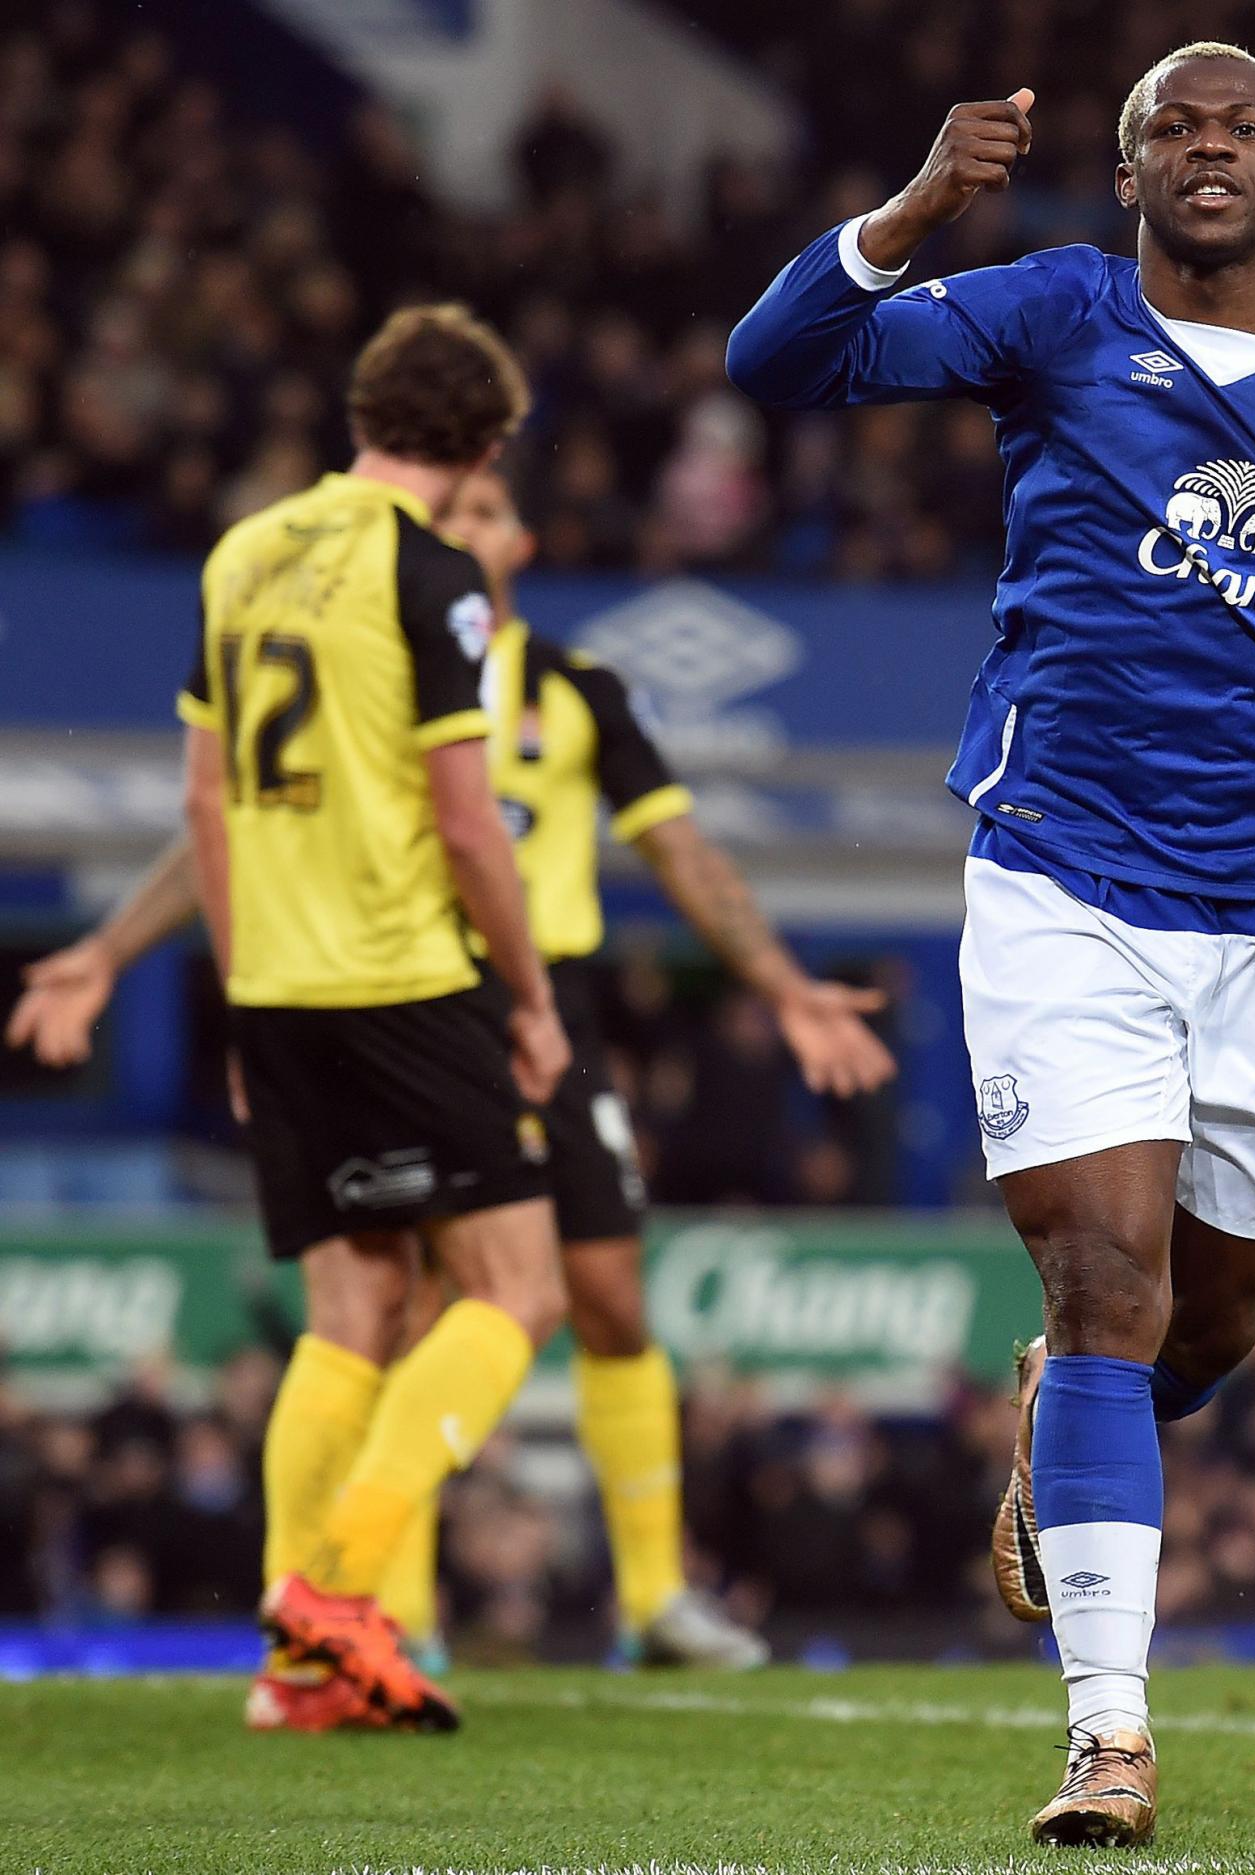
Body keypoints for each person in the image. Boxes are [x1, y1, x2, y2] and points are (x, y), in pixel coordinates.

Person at [726, 41, 1255, 1846]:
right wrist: (918, 212)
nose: (1212, 145)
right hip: (1064, 873)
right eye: (1179, 124)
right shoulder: (1051, 312)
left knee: (1212, 1331)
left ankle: (1065, 1416)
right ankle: (1109, 1738)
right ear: (1131, 163)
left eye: (1247, 128)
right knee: (1107, 1281)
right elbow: (777, 363)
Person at [12, 469, 899, 1671]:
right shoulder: (370, 676)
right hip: (407, 998)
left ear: (523, 539)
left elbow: (680, 851)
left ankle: (649, 1600)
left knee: (609, 1300)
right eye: (451, 513)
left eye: (487, 512)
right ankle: (398, 1609)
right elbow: (221, 817)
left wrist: (783, 985)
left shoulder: (577, 693)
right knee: (413, 1304)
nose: (463, 530)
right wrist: (111, 952)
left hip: (548, 1007)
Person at [186, 305, 562, 1734]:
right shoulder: (436, 571)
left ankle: (294, 1670)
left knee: (352, 1310)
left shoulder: (242, 550)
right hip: (402, 973)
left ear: (365, 412)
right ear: (484, 442)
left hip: (277, 983)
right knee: (512, 1288)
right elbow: (467, 821)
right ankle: (340, 1584)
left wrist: (236, 995)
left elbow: (203, 797)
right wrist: (528, 1000)